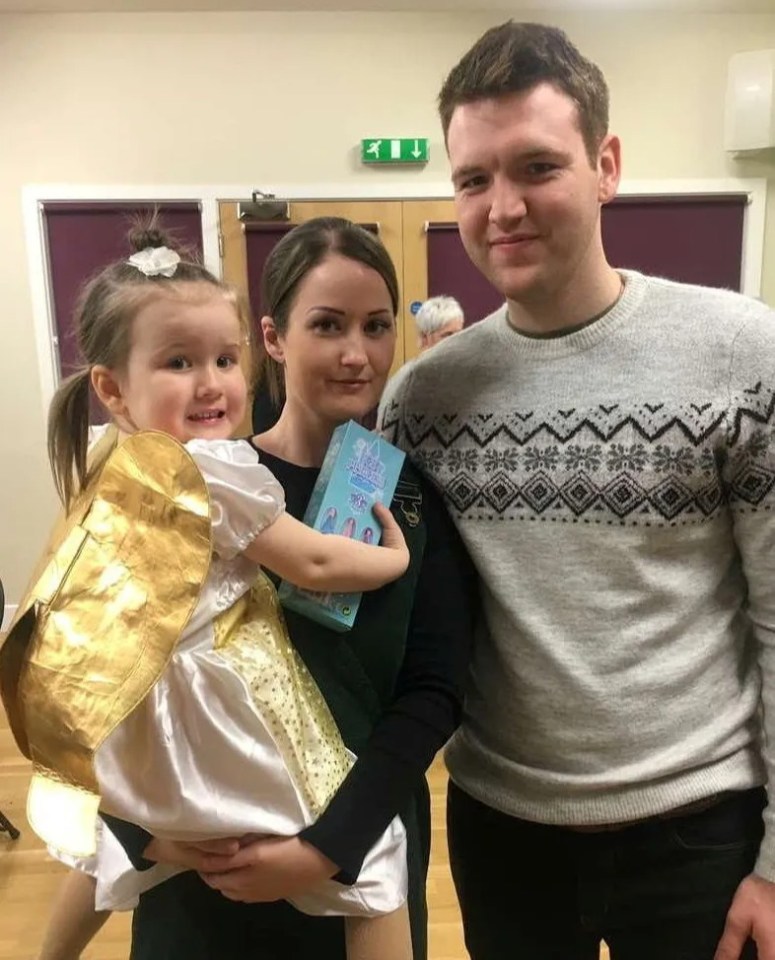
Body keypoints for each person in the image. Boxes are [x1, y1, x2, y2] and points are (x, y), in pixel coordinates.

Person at [378, 20, 775, 960]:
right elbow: (358, 608)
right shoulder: (419, 398)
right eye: (473, 179)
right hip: (501, 830)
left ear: (606, 165)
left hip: (700, 832)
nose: (501, 207)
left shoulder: (740, 353)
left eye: (535, 167)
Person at [37, 217, 477, 960]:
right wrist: (161, 836)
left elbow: (434, 691)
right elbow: (105, 678)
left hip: (353, 845)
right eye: (326, 324)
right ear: (273, 338)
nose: (354, 352)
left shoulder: (406, 499)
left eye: (375, 326)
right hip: (199, 875)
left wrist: (328, 847)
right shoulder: (189, 480)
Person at [377, 296, 464, 421]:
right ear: (424, 338)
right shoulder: (406, 381)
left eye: (460, 334)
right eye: (448, 335)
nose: (457, 341)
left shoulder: (463, 375)